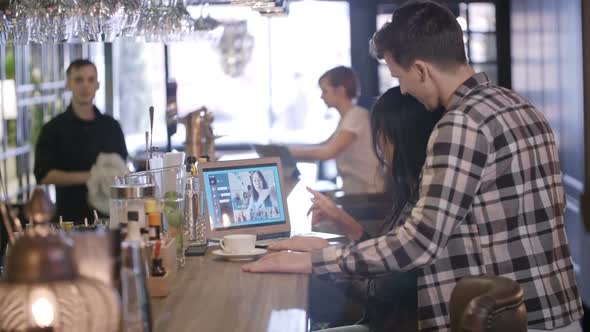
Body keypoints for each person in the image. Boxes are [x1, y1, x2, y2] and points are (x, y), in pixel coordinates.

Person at [243, 2, 583, 332]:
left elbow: (420, 241)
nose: (402, 89)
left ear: (420, 69)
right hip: (552, 310)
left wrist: (315, 261)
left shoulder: (460, 124)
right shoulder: (520, 105)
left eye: (399, 76)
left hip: (497, 321)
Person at [270, 87, 443, 331]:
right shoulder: (415, 188)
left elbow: (382, 286)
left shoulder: (424, 199)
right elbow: (390, 258)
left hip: (388, 320)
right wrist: (341, 220)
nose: (380, 149)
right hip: (384, 312)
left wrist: (323, 256)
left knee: (299, 288)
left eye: (382, 138)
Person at [34, 59, 128, 224]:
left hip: (111, 219)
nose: (85, 86)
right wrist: (91, 176)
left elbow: (122, 170)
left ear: (97, 85)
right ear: (68, 84)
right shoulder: (53, 129)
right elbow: (43, 175)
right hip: (70, 221)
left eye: (90, 80)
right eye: (78, 80)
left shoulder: (112, 126)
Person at [288, 66, 385, 194]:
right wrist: (289, 149)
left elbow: (328, 152)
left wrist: (288, 153)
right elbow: (324, 145)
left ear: (340, 91)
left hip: (368, 195)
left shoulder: (356, 117)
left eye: (325, 91)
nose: (322, 97)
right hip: (357, 192)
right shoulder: (347, 118)